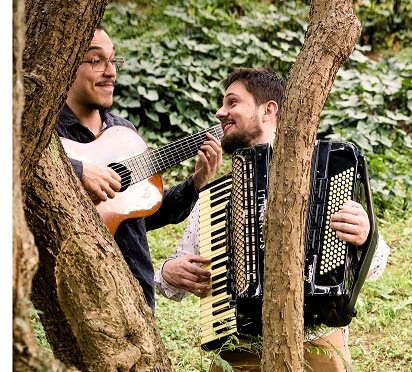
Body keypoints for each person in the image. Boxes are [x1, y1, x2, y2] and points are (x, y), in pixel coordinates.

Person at [154, 67, 390, 371]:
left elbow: (376, 266)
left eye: (232, 102)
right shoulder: (215, 197)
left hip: (315, 346)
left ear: (268, 110)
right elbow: (178, 272)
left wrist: (365, 237)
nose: (219, 112)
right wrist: (168, 272)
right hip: (238, 348)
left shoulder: (322, 174)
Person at [55, 26, 222, 312]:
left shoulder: (124, 132)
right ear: (68, 64)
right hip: (82, 293)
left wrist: (195, 183)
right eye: (96, 60)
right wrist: (78, 170)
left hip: (138, 294)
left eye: (113, 61)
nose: (111, 72)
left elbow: (140, 217)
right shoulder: (48, 131)